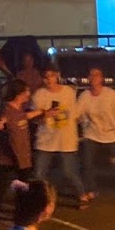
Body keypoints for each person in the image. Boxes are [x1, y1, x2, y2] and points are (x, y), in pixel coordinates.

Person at [75, 67, 115, 203]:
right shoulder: (84, 95)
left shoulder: (110, 94)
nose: (94, 78)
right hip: (91, 134)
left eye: (97, 75)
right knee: (87, 163)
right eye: (91, 75)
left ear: (102, 79)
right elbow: (77, 114)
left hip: (110, 135)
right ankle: (91, 189)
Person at [30, 66, 86, 207]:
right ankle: (40, 200)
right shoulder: (39, 95)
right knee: (39, 173)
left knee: (69, 171)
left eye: (52, 76)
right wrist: (44, 115)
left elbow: (75, 114)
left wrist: (81, 131)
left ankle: (81, 195)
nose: (49, 79)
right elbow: (33, 118)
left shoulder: (68, 92)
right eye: (46, 77)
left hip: (66, 139)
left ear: (57, 76)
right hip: (45, 139)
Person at [0, 78, 41, 225]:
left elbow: (25, 116)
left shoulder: (19, 110)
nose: (28, 94)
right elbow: (4, 124)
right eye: (26, 91)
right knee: (0, 190)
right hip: (8, 159)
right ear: (18, 93)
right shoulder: (7, 110)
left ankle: (20, 217)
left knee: (23, 189)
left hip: (23, 159)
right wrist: (0, 124)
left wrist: (43, 112)